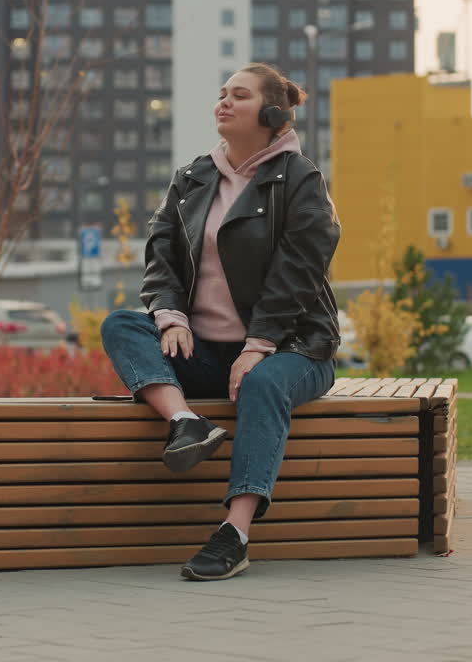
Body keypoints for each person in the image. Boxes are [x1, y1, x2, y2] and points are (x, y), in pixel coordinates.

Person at [99, 63, 341, 581]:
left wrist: (259, 344)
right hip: (207, 349)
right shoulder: (193, 178)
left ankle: (235, 532)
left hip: (292, 349)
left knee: (260, 383)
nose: (223, 103)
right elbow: (161, 253)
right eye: (222, 94)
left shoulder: (301, 181)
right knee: (122, 324)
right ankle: (185, 422)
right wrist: (170, 318)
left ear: (273, 113)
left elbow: (299, 272)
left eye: (240, 95)